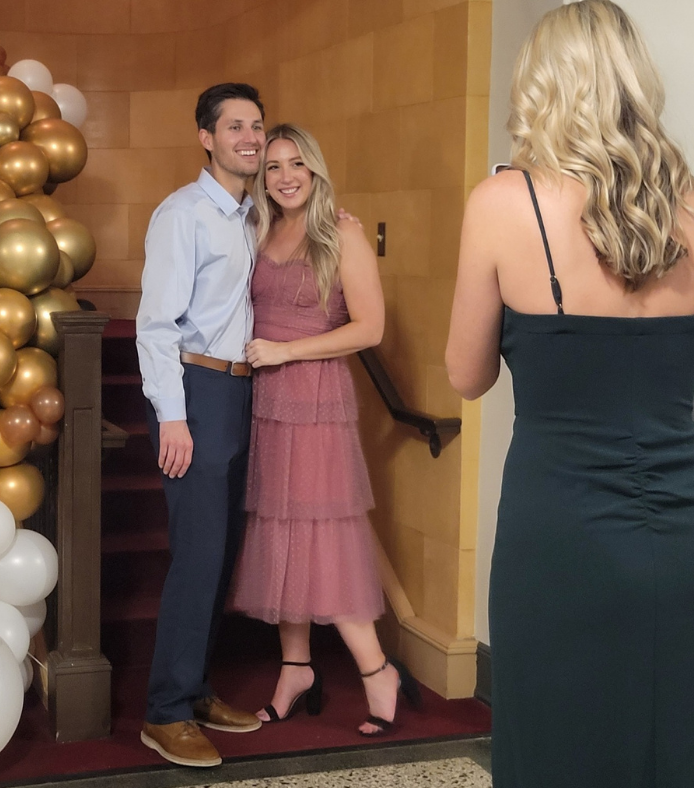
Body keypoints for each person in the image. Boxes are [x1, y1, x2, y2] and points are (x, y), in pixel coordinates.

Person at [444, 2, 694, 786]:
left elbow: (466, 375)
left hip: (562, 532)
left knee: (560, 747)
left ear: (542, 86)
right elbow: (683, 368)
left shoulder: (503, 204)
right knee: (680, 746)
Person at [228, 123, 422, 738]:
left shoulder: (342, 233)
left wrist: (287, 352)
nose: (285, 176)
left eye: (297, 165)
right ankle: (296, 669)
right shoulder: (257, 230)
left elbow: (370, 328)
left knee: (320, 532)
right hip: (268, 400)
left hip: (315, 398)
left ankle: (376, 670)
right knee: (281, 527)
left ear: (315, 171)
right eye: (274, 166)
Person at [135, 82, 267, 768]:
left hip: (240, 391)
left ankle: (195, 689)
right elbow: (156, 325)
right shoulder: (183, 214)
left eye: (257, 125)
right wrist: (173, 418)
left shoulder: (250, 216)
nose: (250, 137)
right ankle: (165, 711)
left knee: (223, 552)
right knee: (198, 554)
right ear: (206, 138)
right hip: (196, 391)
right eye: (235, 126)